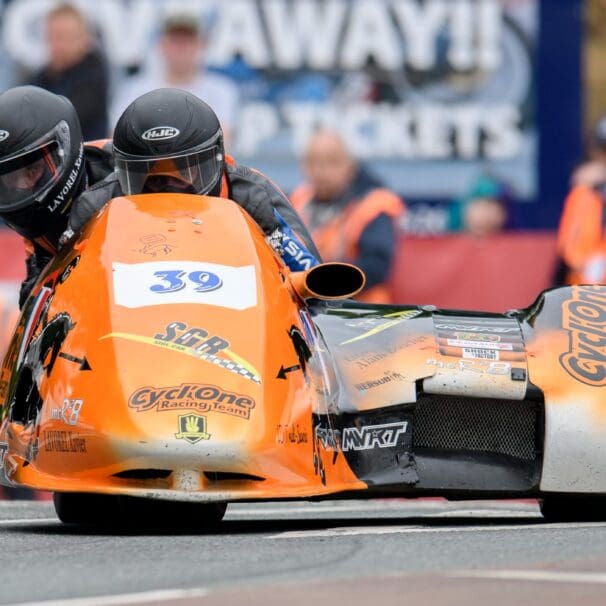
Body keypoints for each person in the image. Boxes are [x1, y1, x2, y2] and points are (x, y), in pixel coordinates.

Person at [63, 88, 319, 274]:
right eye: (150, 178)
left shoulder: (251, 194)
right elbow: (51, 285)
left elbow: (314, 279)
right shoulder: (97, 204)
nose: (168, 189)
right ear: (123, 171)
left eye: (183, 173)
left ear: (217, 160)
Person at [0, 85, 113, 308]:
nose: (22, 185)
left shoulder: (131, 171)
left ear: (64, 149)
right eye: (9, 180)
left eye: (31, 170)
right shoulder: (36, 240)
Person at [290, 129, 404, 303]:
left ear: (350, 165)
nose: (322, 171)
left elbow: (377, 266)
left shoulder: (374, 204)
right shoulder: (297, 200)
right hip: (306, 311)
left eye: (332, 161)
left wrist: (323, 280)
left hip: (361, 314)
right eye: (313, 162)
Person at [110, 12, 239, 143]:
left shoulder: (221, 90)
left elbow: (222, 142)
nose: (181, 48)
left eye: (188, 42)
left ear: (201, 45)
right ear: (161, 45)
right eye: (175, 41)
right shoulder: (134, 90)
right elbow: (117, 140)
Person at [28, 3, 109, 140]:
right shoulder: (42, 76)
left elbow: (67, 117)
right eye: (51, 37)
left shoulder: (93, 73)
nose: (56, 45)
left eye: (63, 37)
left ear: (84, 39)